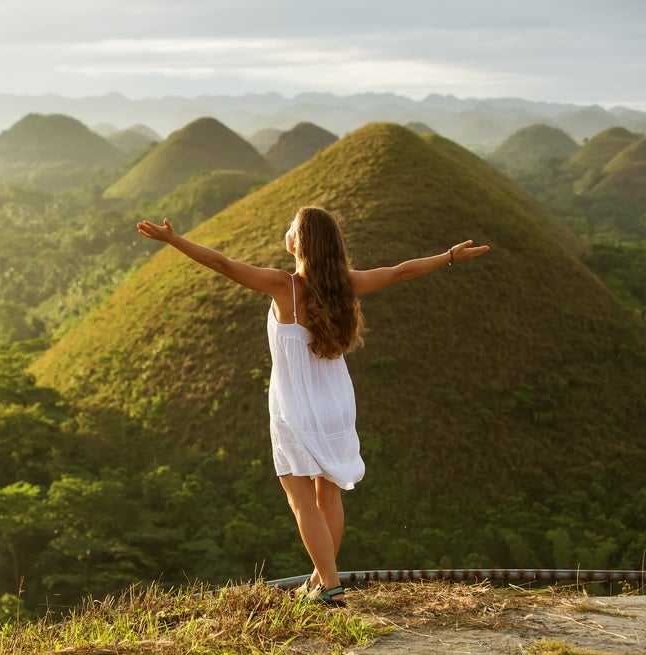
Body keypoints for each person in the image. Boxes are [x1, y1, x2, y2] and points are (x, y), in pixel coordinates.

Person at [137, 206, 489, 606]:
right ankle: (322, 582)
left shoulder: (283, 286)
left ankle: (331, 587)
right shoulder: (345, 285)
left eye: (290, 227)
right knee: (329, 496)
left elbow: (221, 262)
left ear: (298, 242)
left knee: (301, 498)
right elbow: (399, 271)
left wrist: (173, 240)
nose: (285, 230)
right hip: (336, 400)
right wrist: (449, 257)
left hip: (296, 405)